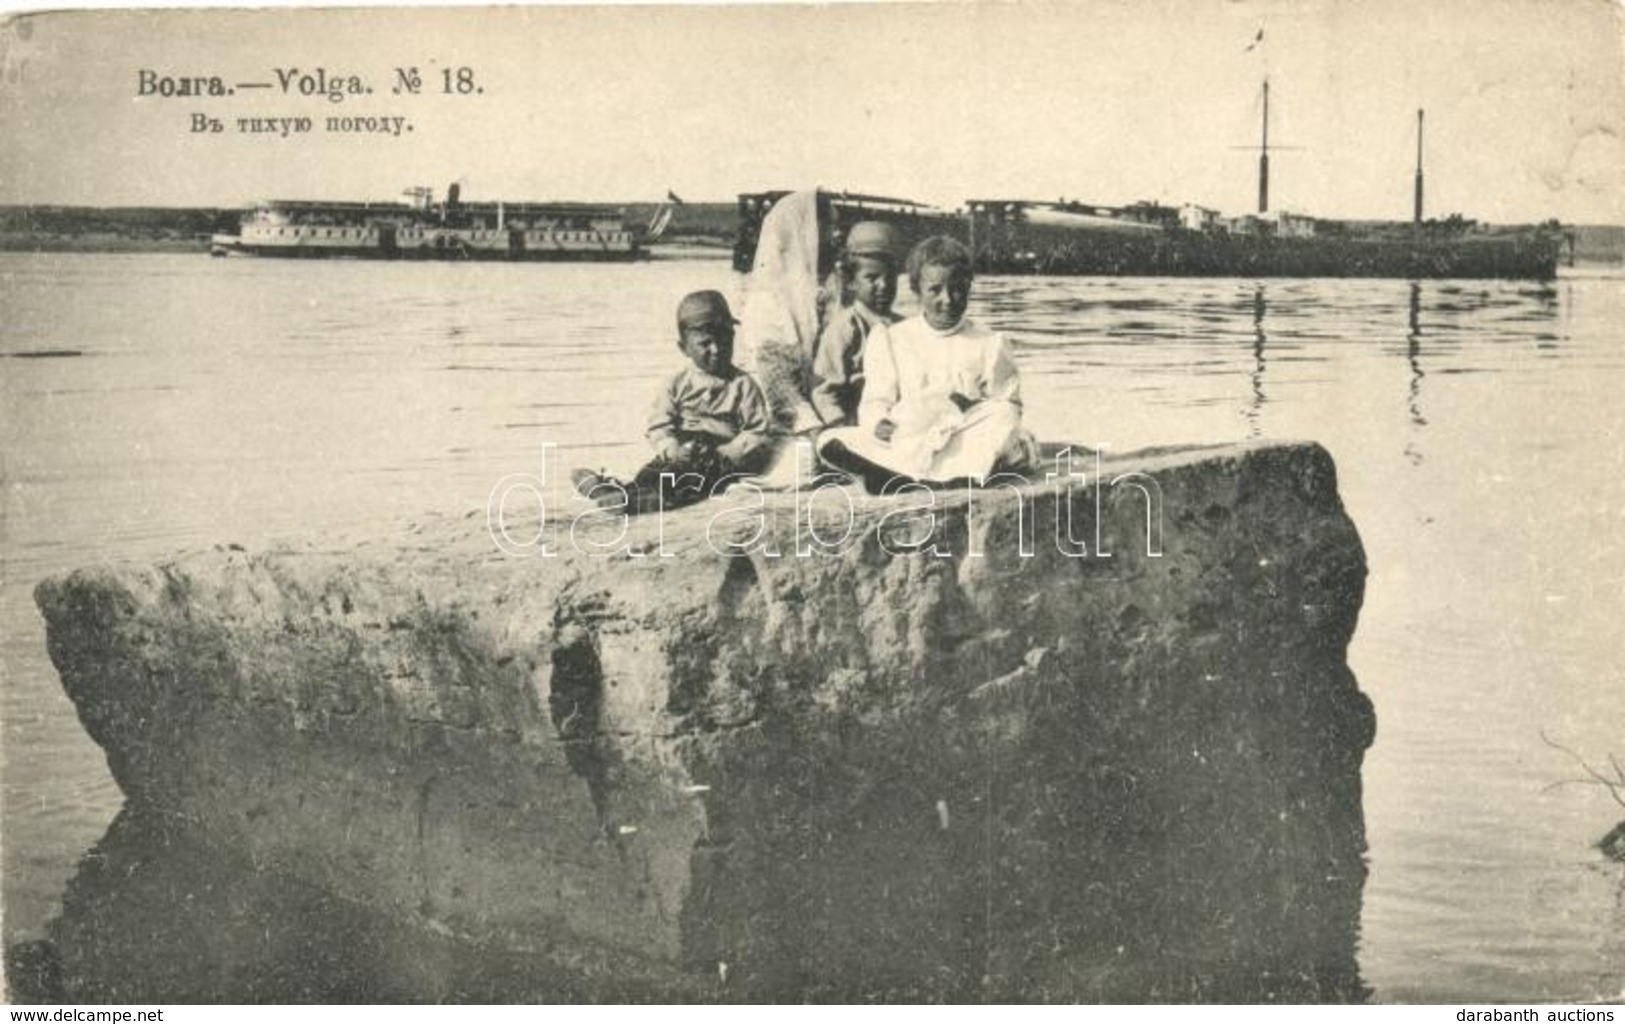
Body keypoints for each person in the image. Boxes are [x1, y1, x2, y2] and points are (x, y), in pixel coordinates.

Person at [816, 235, 1036, 491]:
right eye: (935, 290)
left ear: (968, 287)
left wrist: (969, 406)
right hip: (911, 432)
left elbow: (1008, 402)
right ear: (917, 290)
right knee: (830, 440)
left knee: (1001, 415)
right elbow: (876, 399)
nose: (948, 299)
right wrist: (879, 423)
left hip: (961, 435)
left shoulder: (990, 342)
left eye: (957, 288)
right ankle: (928, 474)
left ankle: (913, 476)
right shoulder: (892, 338)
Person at [572, 290, 773, 514]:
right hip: (682, 449)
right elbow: (659, 425)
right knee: (654, 471)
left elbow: (757, 432)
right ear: (684, 348)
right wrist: (672, 448)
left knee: (691, 482)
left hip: (718, 455)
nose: (716, 350)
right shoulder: (676, 383)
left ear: (733, 338)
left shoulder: (742, 384)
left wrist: (728, 452)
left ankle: (639, 500)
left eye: (724, 340)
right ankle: (617, 490)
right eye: (705, 344)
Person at [809, 221, 903, 428]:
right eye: (872, 278)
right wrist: (838, 424)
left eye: (891, 277)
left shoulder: (904, 327)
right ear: (851, 281)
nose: (884, 285)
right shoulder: (844, 328)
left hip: (898, 421)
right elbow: (824, 390)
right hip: (855, 421)